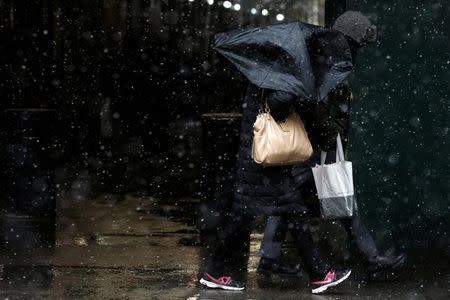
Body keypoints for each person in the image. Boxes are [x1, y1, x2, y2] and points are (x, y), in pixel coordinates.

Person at [257, 11, 405, 280]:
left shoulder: (329, 58)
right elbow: (315, 103)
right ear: (351, 40)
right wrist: (326, 126)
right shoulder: (325, 61)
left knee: (328, 200)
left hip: (318, 144)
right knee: (300, 201)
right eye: (360, 43)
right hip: (313, 145)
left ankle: (271, 258)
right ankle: (368, 258)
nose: (361, 49)